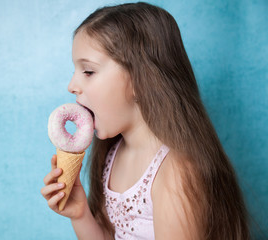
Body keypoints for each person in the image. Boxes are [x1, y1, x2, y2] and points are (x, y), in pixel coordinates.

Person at [41, 2, 250, 239]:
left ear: (141, 79)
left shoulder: (176, 173)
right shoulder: (111, 153)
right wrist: (79, 214)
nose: (72, 86)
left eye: (88, 71)